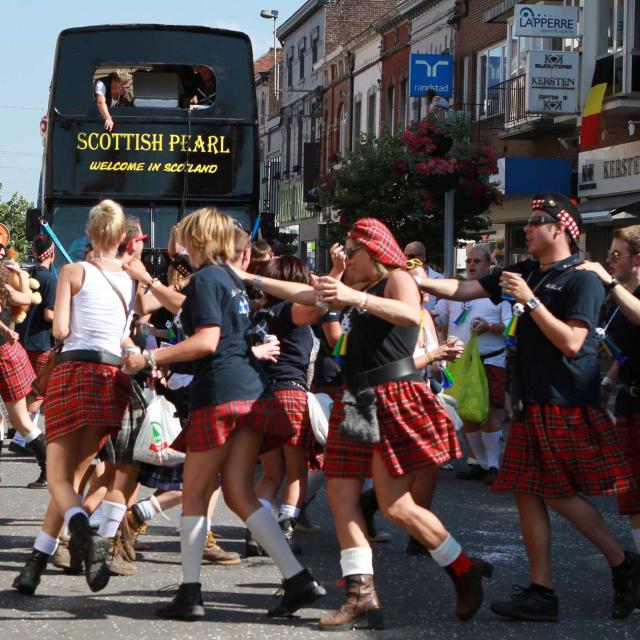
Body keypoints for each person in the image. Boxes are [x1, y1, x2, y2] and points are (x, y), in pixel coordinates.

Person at [234, 218, 493, 629]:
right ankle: (361, 594)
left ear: (374, 252)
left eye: (352, 251)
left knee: (394, 505)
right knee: (340, 495)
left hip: (391, 395)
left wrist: (353, 295)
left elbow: (409, 315)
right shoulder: (359, 289)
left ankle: (463, 567)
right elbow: (304, 295)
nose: (345, 258)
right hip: (357, 399)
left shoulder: (400, 278)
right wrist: (247, 276)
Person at [418, 193, 640, 621]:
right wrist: (415, 279)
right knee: (527, 490)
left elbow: (574, 342)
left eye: (537, 221)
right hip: (530, 399)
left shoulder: (583, 278)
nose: (527, 227)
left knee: (556, 492)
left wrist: (531, 302)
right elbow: (462, 289)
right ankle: (544, 590)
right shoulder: (524, 270)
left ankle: (623, 564)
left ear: (561, 228)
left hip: (566, 399)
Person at [123, 208, 325, 621]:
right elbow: (208, 318)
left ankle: (191, 593)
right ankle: (298, 579)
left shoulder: (206, 279)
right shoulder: (231, 280)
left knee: (195, 491)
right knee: (237, 492)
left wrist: (149, 357)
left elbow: (207, 340)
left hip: (220, 393)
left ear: (194, 241)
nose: (176, 245)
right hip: (253, 393)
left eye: (180, 237)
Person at [13, 199, 136, 596]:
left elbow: (62, 330)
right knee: (78, 473)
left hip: (73, 372)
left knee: (57, 477)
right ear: (121, 237)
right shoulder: (130, 280)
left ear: (88, 233)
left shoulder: (72, 270)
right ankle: (34, 565)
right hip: (112, 377)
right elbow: (123, 334)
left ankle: (83, 531)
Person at [578, 225, 640, 558]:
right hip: (631, 400)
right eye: (610, 254)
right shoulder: (619, 298)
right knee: (633, 491)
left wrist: (611, 284)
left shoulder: (625, 293)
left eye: (617, 255)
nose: (610, 260)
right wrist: (609, 381)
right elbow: (624, 350)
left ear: (637, 259)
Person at [433, 245, 512, 485]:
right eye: (468, 260)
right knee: (464, 410)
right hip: (459, 362)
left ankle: (494, 465)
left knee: (486, 411)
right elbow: (437, 317)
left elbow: (510, 327)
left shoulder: (498, 293)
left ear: (489, 265)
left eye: (477, 261)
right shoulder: (455, 292)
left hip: (490, 359)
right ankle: (478, 462)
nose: (471, 265)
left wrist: (490, 327)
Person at [13, 234, 57, 487]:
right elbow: (50, 314)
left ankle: (22, 436)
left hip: (22, 340)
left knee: (27, 390)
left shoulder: (28, 277)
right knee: (38, 392)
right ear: (51, 253)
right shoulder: (51, 280)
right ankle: (22, 439)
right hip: (41, 344)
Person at [0, 259, 48, 489]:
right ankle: (48, 466)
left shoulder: (5, 289)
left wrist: (7, 330)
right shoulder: (6, 288)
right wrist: (19, 273)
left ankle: (49, 466)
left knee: (20, 420)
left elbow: (28, 299)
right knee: (19, 420)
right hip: (8, 352)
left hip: (4, 356)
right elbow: (28, 298)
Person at [404, 240, 442, 313]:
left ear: (423, 257)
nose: (406, 260)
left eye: (411, 256)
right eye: (404, 256)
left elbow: (442, 309)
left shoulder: (438, 279)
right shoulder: (399, 278)